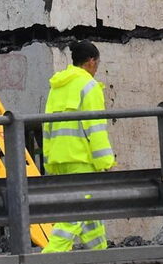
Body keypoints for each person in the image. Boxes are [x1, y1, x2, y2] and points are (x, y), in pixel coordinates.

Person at [40, 40, 116, 253]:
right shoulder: (89, 87)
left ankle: (100, 257)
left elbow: (47, 126)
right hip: (82, 161)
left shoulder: (57, 87)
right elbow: (96, 128)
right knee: (74, 215)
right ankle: (48, 258)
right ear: (91, 62)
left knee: (90, 215)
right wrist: (106, 161)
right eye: (98, 63)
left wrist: (49, 161)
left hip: (59, 159)